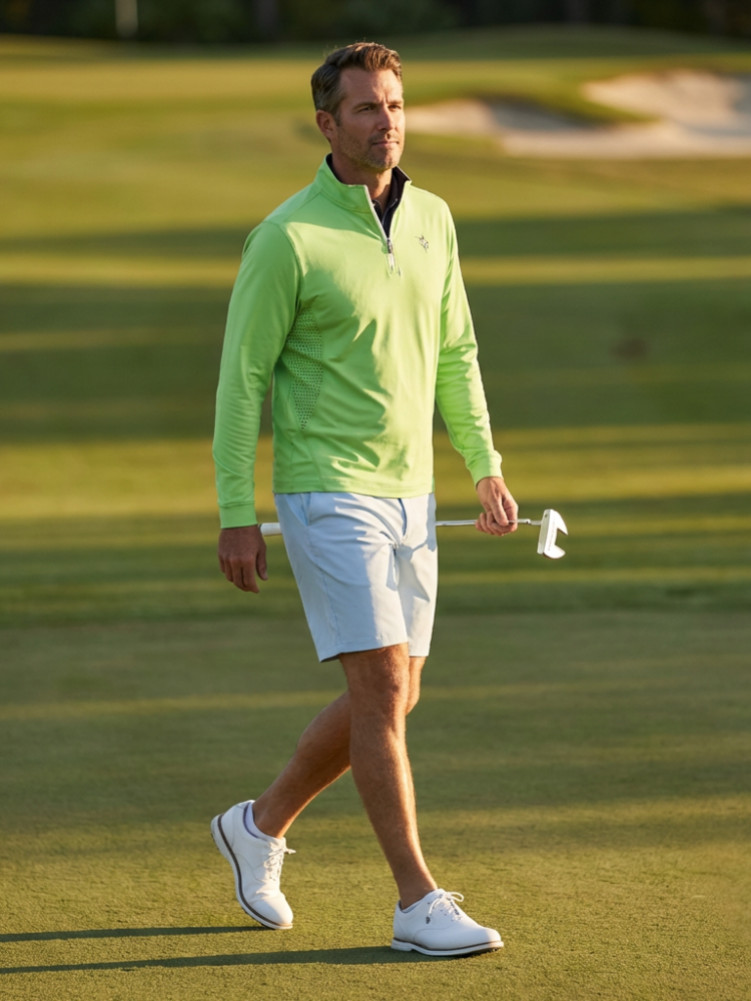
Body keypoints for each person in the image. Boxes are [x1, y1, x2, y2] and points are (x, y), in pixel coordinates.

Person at [211, 41, 518, 957]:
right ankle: (416, 899)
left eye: (394, 105)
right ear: (327, 125)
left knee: (395, 692)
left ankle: (256, 824)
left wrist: (485, 463)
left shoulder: (434, 218)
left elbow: (456, 351)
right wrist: (236, 507)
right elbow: (241, 381)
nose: (386, 122)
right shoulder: (287, 236)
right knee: (381, 683)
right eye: (365, 109)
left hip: (410, 491)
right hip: (325, 486)